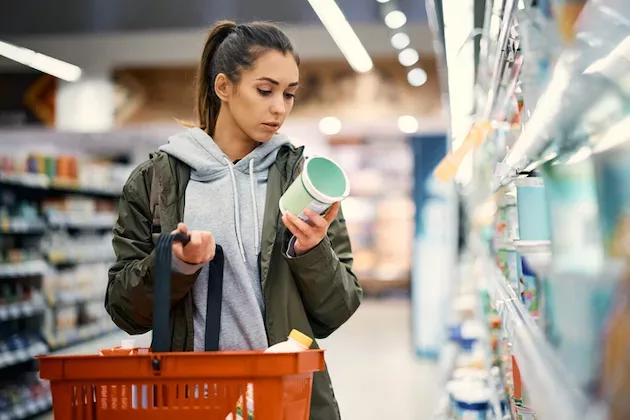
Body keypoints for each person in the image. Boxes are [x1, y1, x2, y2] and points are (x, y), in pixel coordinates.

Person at [105, 20, 363, 419]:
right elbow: (124, 310)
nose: (279, 107)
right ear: (223, 87)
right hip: (191, 400)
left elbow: (338, 309)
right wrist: (175, 265)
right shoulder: (156, 182)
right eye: (265, 90)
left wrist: (311, 251)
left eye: (289, 94)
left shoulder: (302, 180)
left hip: (284, 399)